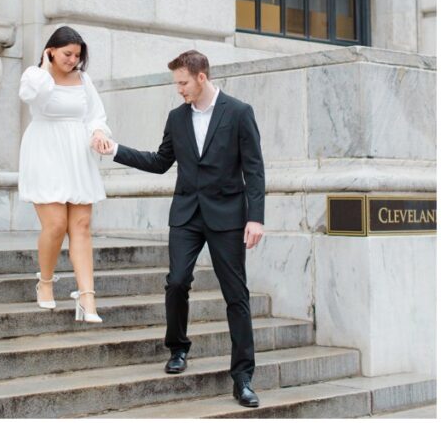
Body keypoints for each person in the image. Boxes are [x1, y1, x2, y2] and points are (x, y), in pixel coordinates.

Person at [98, 50, 265, 408]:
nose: (179, 90)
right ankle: (177, 348)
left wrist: (256, 217)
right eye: (177, 83)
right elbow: (160, 162)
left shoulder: (238, 113)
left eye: (183, 83)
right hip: (187, 215)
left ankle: (243, 377)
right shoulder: (177, 118)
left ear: (201, 77)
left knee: (236, 295)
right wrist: (115, 151)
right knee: (176, 281)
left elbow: (254, 170)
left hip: (227, 217)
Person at [18, 26, 113, 324]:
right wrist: (46, 67)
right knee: (56, 224)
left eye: (77, 55)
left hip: (77, 155)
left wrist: (98, 133)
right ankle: (45, 282)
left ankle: (87, 297)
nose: (73, 60)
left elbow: (95, 115)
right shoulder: (34, 76)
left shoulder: (84, 80)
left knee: (82, 225)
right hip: (45, 152)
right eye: (67, 54)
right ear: (51, 50)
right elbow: (34, 97)